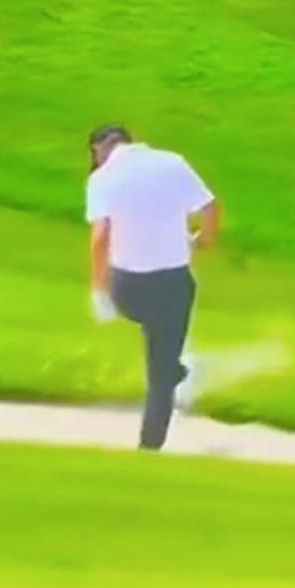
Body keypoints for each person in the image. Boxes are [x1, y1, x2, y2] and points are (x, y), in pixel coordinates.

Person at [86, 124, 222, 451]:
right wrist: (203, 241)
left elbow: (101, 236)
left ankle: (170, 368)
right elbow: (211, 208)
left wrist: (98, 289)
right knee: (160, 378)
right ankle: (150, 445)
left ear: (100, 148)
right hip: (174, 284)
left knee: (141, 323)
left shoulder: (102, 178)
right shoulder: (172, 163)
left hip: (127, 287)